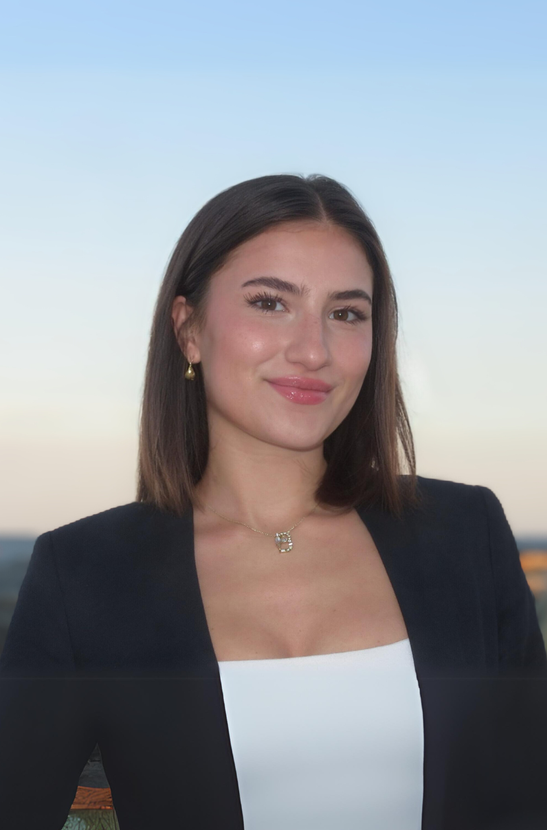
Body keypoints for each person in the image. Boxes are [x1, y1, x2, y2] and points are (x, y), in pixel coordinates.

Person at [0, 173, 546, 830]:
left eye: (346, 313)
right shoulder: (82, 573)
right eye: (270, 303)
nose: (313, 350)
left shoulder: (466, 534)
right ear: (188, 329)